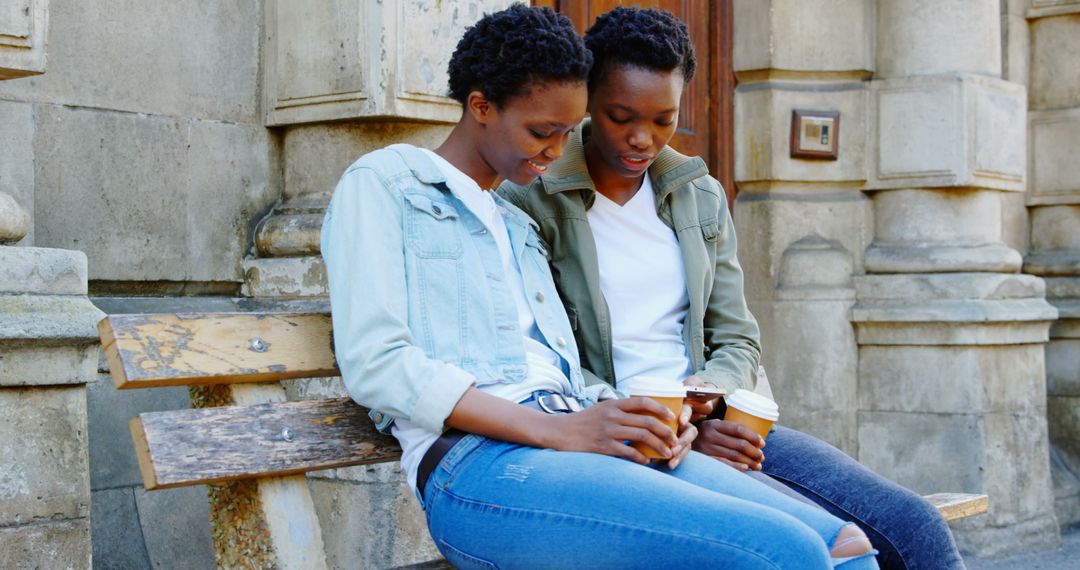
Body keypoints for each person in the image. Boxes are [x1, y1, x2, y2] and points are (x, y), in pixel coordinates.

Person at [323, 4, 879, 569]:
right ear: (481, 106)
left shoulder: (516, 224)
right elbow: (377, 363)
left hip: (578, 432)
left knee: (845, 545)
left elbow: (564, 368)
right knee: (786, 550)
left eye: (568, 133)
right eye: (542, 132)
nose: (557, 151)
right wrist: (557, 431)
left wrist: (649, 422)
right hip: (478, 465)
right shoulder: (388, 183)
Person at [499, 6, 962, 570]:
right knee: (817, 544)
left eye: (664, 119)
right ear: (588, 100)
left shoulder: (698, 195)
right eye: (621, 117)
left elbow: (737, 335)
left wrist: (709, 399)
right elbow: (542, 355)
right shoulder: (531, 198)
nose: (642, 139)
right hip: (620, 438)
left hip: (716, 427)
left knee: (914, 527)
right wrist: (673, 426)